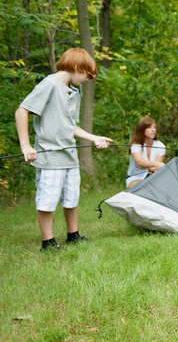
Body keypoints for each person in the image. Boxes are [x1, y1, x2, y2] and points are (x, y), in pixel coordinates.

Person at [15, 48, 113, 251]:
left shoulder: (73, 92)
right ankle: (48, 243)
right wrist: (26, 145)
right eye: (89, 75)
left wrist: (93, 138)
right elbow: (22, 110)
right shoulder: (49, 84)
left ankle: (73, 235)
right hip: (50, 155)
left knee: (71, 197)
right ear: (78, 67)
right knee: (47, 199)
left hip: (69, 155)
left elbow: (70, 126)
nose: (89, 79)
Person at [126, 117, 166, 188]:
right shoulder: (135, 145)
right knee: (140, 186)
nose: (153, 130)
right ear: (142, 130)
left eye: (154, 127)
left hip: (153, 179)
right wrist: (156, 164)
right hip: (134, 178)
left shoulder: (161, 146)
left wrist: (155, 168)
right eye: (149, 127)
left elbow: (156, 167)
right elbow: (139, 162)